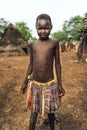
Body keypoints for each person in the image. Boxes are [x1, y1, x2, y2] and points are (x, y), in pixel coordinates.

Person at [21, 13, 65, 130]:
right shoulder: (33, 45)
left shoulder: (54, 43)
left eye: (46, 28)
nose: (43, 31)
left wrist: (60, 84)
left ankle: (52, 127)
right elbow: (31, 64)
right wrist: (24, 82)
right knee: (33, 112)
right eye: (40, 28)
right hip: (35, 85)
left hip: (50, 84)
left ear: (51, 27)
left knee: (51, 112)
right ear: (36, 27)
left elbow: (57, 64)